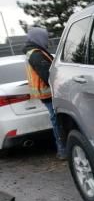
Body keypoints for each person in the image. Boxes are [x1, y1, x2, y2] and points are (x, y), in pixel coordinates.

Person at [23, 27, 66, 159]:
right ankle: (62, 150)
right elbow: (48, 76)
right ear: (39, 38)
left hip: (47, 93)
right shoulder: (36, 54)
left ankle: (63, 149)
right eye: (46, 37)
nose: (48, 39)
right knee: (57, 120)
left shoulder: (36, 52)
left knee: (57, 119)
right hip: (49, 94)